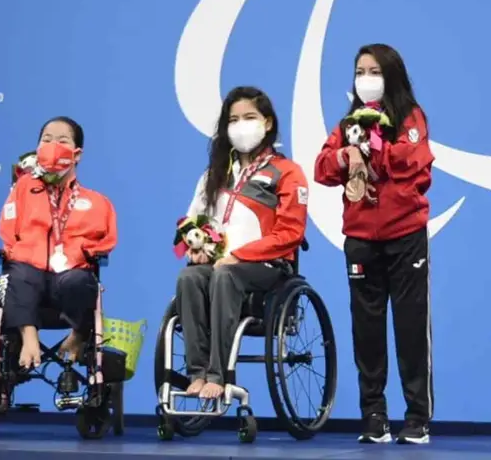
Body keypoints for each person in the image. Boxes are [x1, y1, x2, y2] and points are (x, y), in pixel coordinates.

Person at [314, 44, 434, 445]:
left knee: (411, 326)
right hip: (361, 240)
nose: (366, 78)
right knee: (366, 330)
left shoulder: (410, 117)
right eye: (360, 71)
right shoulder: (349, 123)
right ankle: (374, 416)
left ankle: (417, 417)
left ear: (392, 75)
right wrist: (349, 154)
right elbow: (322, 168)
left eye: (374, 71)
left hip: (405, 238)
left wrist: (373, 148)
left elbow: (409, 162)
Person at [176, 86, 309, 400]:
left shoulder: (287, 172)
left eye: (249, 117)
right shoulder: (214, 175)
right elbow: (193, 221)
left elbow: (291, 233)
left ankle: (218, 376)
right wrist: (195, 248)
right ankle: (197, 372)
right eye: (233, 119)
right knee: (189, 277)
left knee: (225, 274)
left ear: (268, 123)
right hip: (222, 266)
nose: (240, 125)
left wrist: (238, 255)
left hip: (268, 268)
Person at [0, 116, 118, 369]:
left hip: (69, 275)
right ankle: (29, 337)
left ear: (77, 154)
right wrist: (18, 251)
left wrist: (81, 253)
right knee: (17, 273)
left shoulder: (97, 202)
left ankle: (78, 336)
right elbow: (7, 230)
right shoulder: (22, 189)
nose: (53, 145)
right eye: (46, 140)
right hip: (29, 272)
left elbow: (107, 240)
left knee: (78, 281)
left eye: (62, 141)